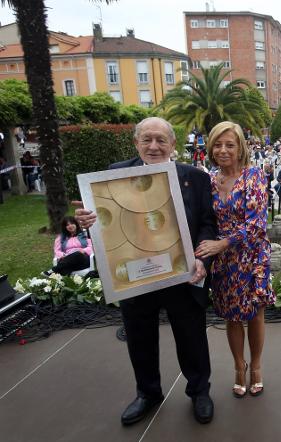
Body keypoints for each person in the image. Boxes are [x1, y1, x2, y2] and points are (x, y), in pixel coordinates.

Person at [75, 117, 216, 425]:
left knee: (192, 337)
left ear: (173, 144)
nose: (154, 146)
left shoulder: (195, 178)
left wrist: (202, 258)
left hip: (183, 275)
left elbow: (207, 223)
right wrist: (87, 220)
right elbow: (103, 221)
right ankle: (148, 394)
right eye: (147, 139)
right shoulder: (113, 176)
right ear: (136, 143)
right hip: (136, 275)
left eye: (161, 140)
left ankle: (199, 392)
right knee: (139, 339)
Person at [194, 121, 274, 400]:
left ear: (241, 147)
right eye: (218, 144)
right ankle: (239, 367)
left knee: (255, 313)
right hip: (225, 261)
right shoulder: (209, 180)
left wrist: (221, 243)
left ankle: (257, 367)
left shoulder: (255, 176)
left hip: (252, 255)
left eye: (230, 144)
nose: (223, 149)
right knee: (231, 316)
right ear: (211, 148)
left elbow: (257, 225)